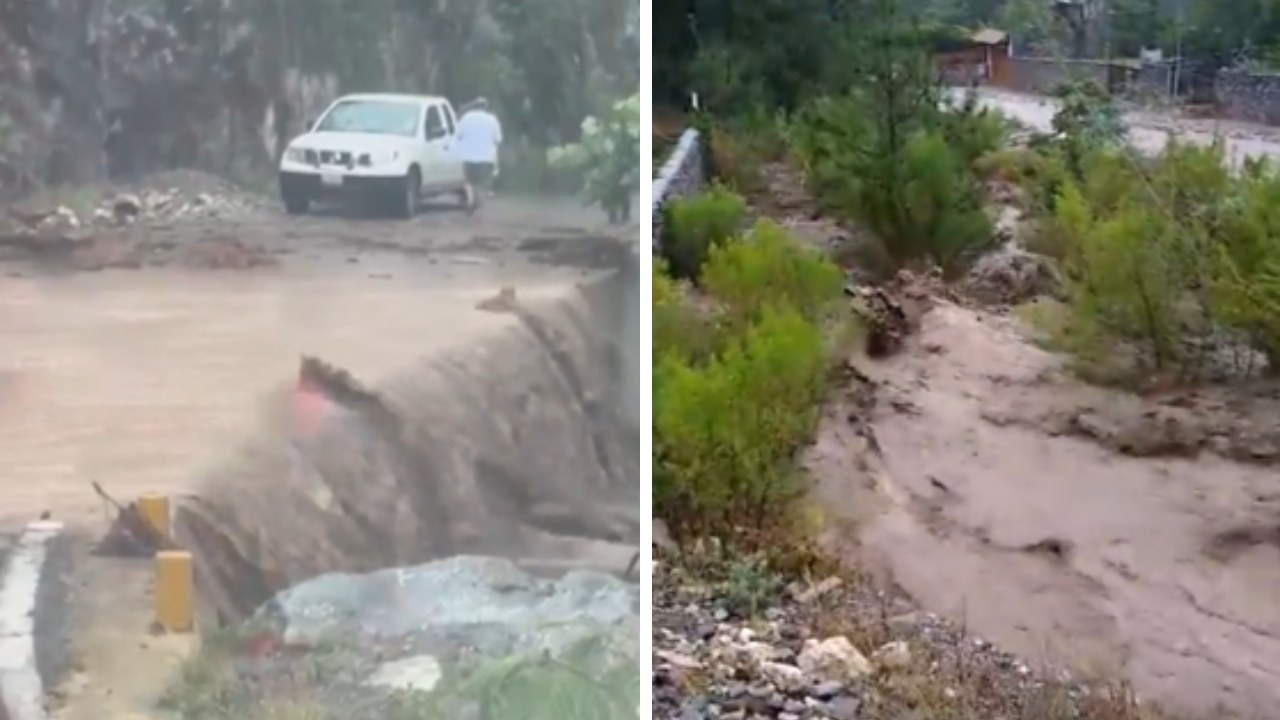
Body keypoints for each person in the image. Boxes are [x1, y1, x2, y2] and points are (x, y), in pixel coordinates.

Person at [454, 97, 503, 214]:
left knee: (468, 181)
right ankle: (478, 202)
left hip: (468, 157)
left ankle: (470, 201)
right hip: (486, 158)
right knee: (482, 183)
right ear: (486, 107)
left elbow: (458, 135)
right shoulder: (492, 120)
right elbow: (498, 139)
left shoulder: (466, 118)